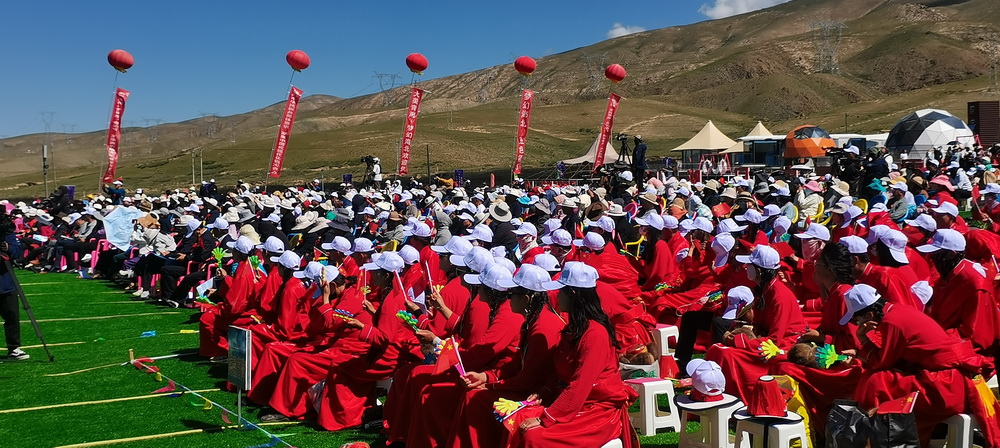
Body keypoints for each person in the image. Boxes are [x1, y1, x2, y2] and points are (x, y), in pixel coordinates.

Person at [511, 262, 639, 448]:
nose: (556, 296)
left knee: (534, 436)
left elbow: (581, 384)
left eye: (560, 291)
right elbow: (561, 373)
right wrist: (544, 391)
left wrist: (546, 418)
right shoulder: (574, 327)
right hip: (574, 403)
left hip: (597, 411)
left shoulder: (594, 333)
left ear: (572, 294)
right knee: (516, 418)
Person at [0, 209, 25, 360]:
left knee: (12, 316)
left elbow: (17, 251)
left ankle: (14, 347)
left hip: (5, 280)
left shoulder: (6, 231)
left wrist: (7, 248)